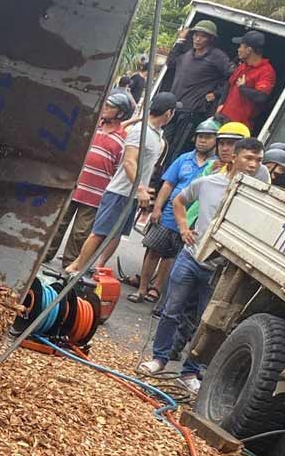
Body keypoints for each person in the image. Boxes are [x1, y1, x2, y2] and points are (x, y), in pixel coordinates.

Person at [139, 137, 267, 393]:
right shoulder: (210, 183)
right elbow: (179, 201)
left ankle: (189, 372)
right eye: (248, 158)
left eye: (258, 160)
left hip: (223, 270)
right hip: (192, 256)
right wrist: (184, 228)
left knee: (207, 322)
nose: (253, 165)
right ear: (234, 158)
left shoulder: (259, 195)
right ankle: (159, 358)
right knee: (171, 310)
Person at [66, 92, 177, 273]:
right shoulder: (140, 132)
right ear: (169, 113)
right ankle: (77, 269)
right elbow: (129, 161)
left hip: (131, 195)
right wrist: (140, 189)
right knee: (99, 233)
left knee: (115, 234)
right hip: (120, 192)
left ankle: (90, 267)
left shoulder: (157, 136)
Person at [129, 118, 218, 304]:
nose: (203, 140)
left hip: (192, 219)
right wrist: (157, 208)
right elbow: (168, 184)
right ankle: (142, 289)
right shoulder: (184, 159)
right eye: (200, 136)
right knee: (153, 250)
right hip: (169, 213)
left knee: (171, 256)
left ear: (215, 141)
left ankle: (157, 289)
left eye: (208, 137)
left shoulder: (216, 167)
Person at [45, 91, 133, 266]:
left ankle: (70, 264)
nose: (105, 109)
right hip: (75, 185)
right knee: (59, 223)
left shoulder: (123, 139)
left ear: (120, 113)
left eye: (110, 107)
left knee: (81, 232)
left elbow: (118, 168)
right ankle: (45, 255)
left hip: (96, 194)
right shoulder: (93, 127)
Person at [161, 20, 230, 170]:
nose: (197, 39)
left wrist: (215, 94)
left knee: (177, 149)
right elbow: (171, 62)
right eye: (195, 35)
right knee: (163, 144)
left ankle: (164, 182)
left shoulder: (217, 56)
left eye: (202, 36)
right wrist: (180, 40)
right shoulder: (187, 54)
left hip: (192, 111)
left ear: (210, 39)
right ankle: (155, 178)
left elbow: (231, 77)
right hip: (174, 109)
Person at [216, 31, 276, 131]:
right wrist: (221, 105)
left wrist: (243, 88)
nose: (238, 50)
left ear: (248, 50)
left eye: (240, 46)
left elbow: (261, 97)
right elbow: (229, 84)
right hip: (222, 117)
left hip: (240, 125)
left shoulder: (267, 71)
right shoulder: (243, 66)